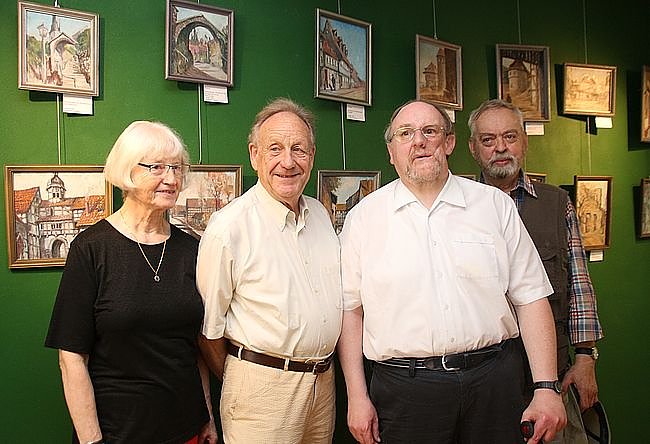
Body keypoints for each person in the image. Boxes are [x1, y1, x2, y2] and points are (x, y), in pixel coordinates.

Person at [337, 100, 567, 444]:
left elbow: (531, 299)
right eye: (406, 134)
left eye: (430, 131)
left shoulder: (494, 206)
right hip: (405, 392)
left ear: (449, 142)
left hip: (495, 384)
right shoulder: (363, 219)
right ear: (391, 151)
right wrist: (356, 396)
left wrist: (546, 387)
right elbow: (350, 312)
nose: (419, 141)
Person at [45, 121, 218, 444]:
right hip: (117, 433)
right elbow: (71, 358)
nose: (171, 178)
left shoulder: (192, 249)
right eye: (157, 167)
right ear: (128, 170)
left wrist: (207, 415)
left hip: (186, 428)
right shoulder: (91, 248)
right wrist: (91, 440)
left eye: (176, 168)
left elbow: (195, 348)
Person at [196, 98, 342, 443]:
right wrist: (251, 375)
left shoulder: (320, 215)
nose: (287, 162)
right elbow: (207, 331)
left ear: (312, 155)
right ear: (254, 155)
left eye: (299, 150)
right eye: (274, 149)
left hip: (324, 384)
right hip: (261, 391)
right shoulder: (229, 228)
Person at [468, 99, 604, 443]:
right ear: (472, 148)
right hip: (483, 378)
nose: (501, 147)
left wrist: (586, 357)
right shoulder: (456, 207)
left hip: (550, 373)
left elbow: (579, 285)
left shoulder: (557, 203)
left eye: (510, 137)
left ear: (524, 142)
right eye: (488, 140)